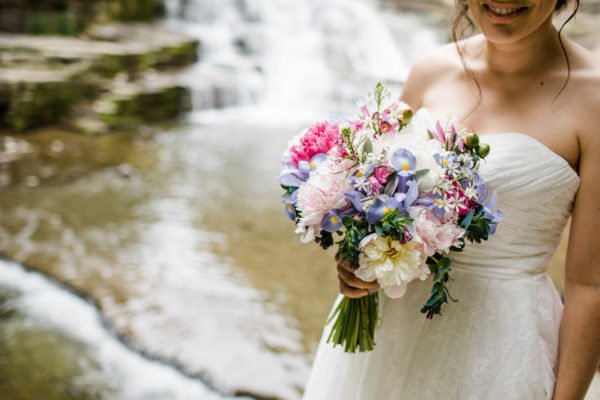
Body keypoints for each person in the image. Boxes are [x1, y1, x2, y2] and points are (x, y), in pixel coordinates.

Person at [303, 0, 600, 399]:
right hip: (387, 339)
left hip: (501, 348)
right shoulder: (429, 72)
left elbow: (589, 283)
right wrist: (358, 262)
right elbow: (378, 190)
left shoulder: (593, 99)